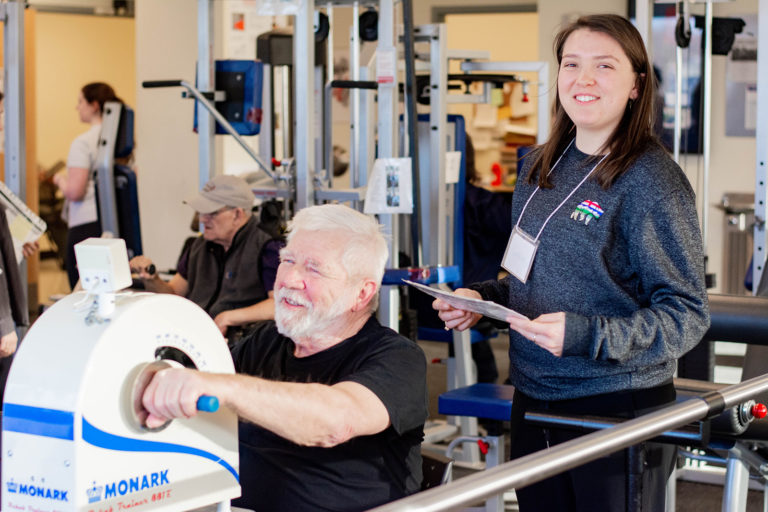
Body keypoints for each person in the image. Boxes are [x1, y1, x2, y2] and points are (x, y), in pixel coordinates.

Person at [434, 14, 710, 511]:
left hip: (612, 407)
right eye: (571, 64)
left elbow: (686, 314)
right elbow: (525, 274)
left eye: (604, 66)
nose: (583, 79)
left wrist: (587, 336)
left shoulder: (652, 182)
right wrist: (481, 299)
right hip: (532, 397)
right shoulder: (542, 165)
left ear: (636, 84)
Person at [141, 204, 428, 511]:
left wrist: (222, 387)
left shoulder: (398, 358)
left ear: (361, 294)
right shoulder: (268, 341)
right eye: (287, 260)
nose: (289, 279)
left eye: (314, 268)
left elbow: (335, 422)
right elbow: (195, 385)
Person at [130, 175, 281, 343]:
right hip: (194, 337)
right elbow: (173, 293)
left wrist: (230, 317)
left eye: (212, 213)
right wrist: (152, 279)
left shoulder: (268, 247)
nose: (202, 219)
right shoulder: (199, 246)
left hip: (240, 345)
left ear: (237, 214)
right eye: (201, 212)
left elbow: (280, 305)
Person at [53, 82, 122, 289]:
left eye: (80, 102)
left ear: (94, 105)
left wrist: (59, 180)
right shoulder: (122, 139)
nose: (77, 107)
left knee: (82, 290)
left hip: (85, 224)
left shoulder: (83, 142)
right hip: (114, 223)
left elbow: (75, 191)